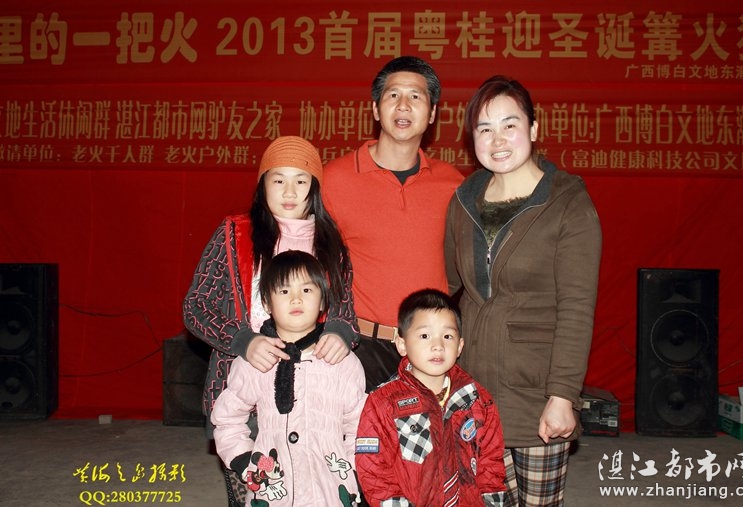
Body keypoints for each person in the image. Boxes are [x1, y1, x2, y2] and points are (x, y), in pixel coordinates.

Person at [444, 75, 602, 506]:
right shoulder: (463, 201)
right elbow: (448, 289)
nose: (497, 140)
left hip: (537, 393)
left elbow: (577, 308)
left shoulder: (567, 203)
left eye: (509, 125)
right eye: (484, 128)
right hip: (475, 391)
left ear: (533, 129)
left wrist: (563, 395)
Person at [183, 135, 358, 506]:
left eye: (301, 180)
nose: (289, 191)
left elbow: (345, 311)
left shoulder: (330, 243)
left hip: (315, 399)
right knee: (257, 495)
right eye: (278, 180)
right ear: (262, 185)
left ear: (314, 188)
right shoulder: (234, 234)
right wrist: (243, 341)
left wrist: (340, 332)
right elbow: (196, 306)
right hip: (243, 392)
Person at [323, 56, 464, 392]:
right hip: (356, 348)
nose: (403, 105)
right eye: (393, 95)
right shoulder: (334, 179)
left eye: (415, 96)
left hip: (427, 351)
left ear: (432, 114)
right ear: (375, 109)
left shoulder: (453, 185)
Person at [211, 250, 366, 507]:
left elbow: (360, 426)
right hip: (272, 490)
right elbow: (227, 419)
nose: (296, 298)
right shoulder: (255, 361)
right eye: (284, 291)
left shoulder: (341, 361)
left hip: (330, 492)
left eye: (306, 290)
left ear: (322, 302)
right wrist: (245, 462)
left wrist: (353, 470)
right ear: (267, 303)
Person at [355, 289, 508, 506]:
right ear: (402, 344)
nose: (438, 346)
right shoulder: (383, 403)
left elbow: (491, 461)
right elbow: (374, 470)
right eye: (425, 336)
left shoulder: (477, 398)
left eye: (447, 336)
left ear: (460, 346)